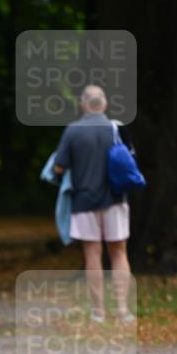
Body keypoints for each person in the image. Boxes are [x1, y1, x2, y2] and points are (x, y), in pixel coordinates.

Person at [53, 85, 135, 323]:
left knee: (92, 254)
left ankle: (98, 311)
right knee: (119, 253)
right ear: (104, 104)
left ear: (83, 105)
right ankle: (122, 310)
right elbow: (130, 159)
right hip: (115, 199)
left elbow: (59, 167)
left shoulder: (73, 131)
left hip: (84, 200)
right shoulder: (117, 128)